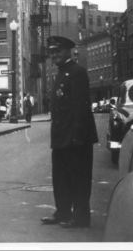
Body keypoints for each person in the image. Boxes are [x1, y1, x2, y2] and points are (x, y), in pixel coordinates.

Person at [41, 36, 98, 229]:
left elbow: (81, 107)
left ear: (68, 51)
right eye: (52, 51)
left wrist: (79, 136)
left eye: (57, 51)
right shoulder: (61, 73)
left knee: (79, 178)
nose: (54, 54)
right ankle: (62, 212)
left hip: (75, 137)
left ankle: (81, 217)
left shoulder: (77, 72)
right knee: (61, 178)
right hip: (61, 136)